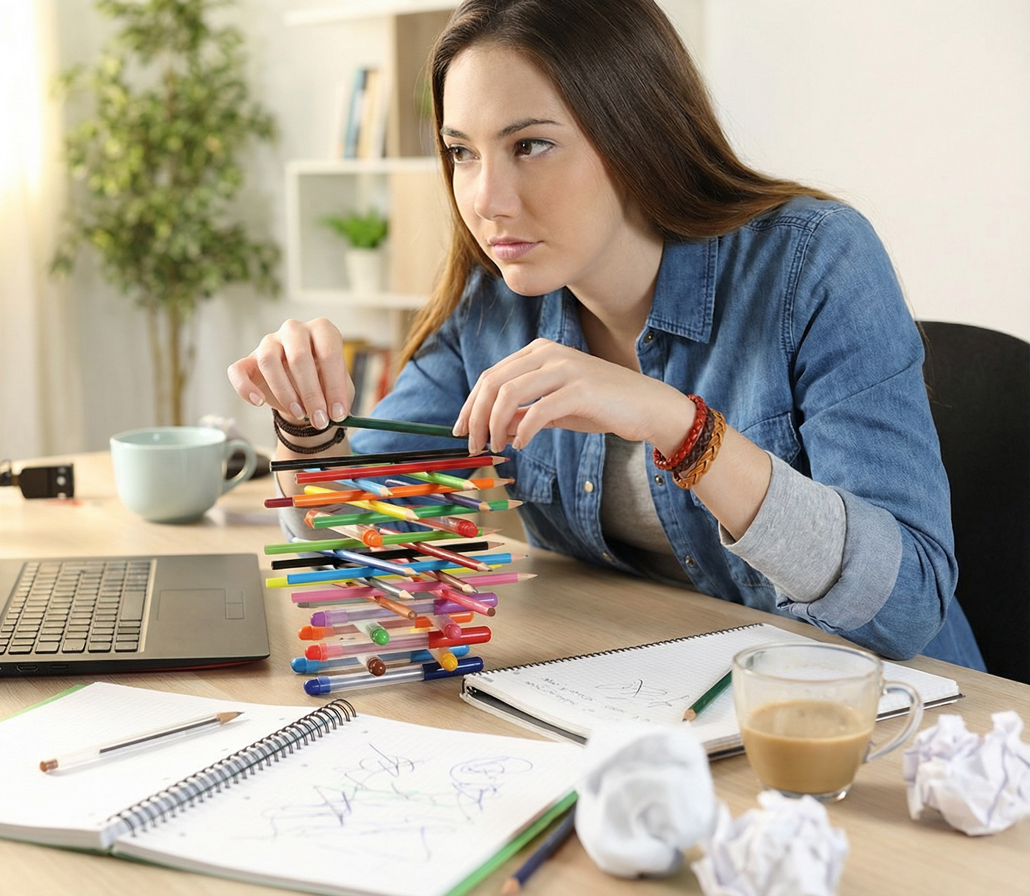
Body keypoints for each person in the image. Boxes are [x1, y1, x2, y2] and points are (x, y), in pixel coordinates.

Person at [228, 0, 984, 669]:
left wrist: (676, 425)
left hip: (884, 723)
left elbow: (909, 604)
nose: (485, 199)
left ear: (635, 134)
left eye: (529, 145)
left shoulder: (814, 263)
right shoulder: (497, 305)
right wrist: (305, 431)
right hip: (641, 694)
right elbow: (365, 556)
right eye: (463, 152)